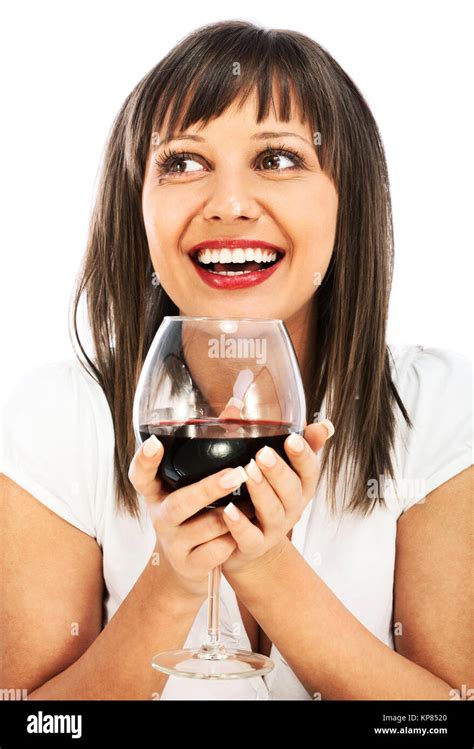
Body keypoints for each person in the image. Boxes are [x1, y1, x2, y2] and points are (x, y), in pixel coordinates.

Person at [1, 19, 472, 701]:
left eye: (277, 159)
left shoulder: (439, 410)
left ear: (350, 197)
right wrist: (174, 581)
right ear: (138, 204)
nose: (227, 204)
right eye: (183, 162)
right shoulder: (56, 416)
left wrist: (269, 568)